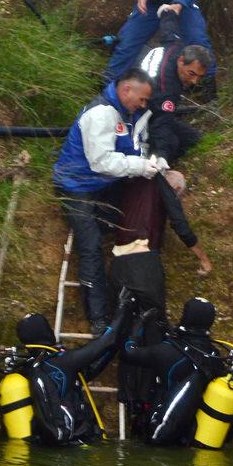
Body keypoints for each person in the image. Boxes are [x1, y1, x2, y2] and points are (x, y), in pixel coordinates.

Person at [53, 68, 159, 335]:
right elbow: (101, 162)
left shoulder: (124, 114)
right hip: (76, 186)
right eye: (142, 99)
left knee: (120, 222)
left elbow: (129, 150)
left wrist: (152, 161)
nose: (143, 105)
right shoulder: (100, 114)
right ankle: (98, 318)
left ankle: (98, 230)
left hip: (101, 185)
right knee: (90, 248)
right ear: (126, 90)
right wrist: (139, 166)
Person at [0, 292, 133, 445]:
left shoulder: (36, 365)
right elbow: (104, 342)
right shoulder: (61, 361)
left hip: (55, 445)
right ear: (44, 332)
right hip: (75, 446)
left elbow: (87, 372)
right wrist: (123, 308)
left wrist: (116, 343)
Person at [121, 297, 233, 447]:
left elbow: (128, 353)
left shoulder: (167, 350)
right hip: (195, 435)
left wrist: (138, 324)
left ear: (186, 316)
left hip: (161, 433)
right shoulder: (215, 356)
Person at [109, 169, 212, 323]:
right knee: (154, 323)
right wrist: (204, 258)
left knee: (120, 324)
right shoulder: (161, 184)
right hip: (142, 263)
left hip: (117, 264)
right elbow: (180, 225)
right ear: (176, 189)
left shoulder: (133, 185)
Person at [141, 43, 212, 163]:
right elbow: (161, 122)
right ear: (181, 61)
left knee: (193, 137)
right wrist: (162, 154)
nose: (195, 81)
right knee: (173, 143)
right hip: (140, 118)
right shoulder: (167, 89)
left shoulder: (173, 49)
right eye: (192, 74)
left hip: (151, 105)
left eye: (200, 77)